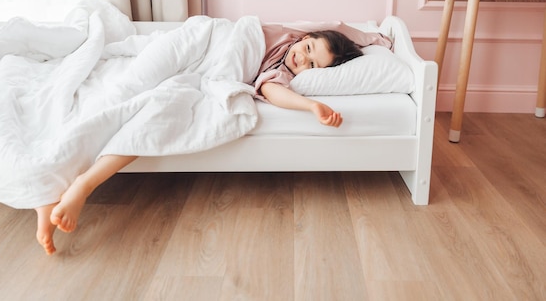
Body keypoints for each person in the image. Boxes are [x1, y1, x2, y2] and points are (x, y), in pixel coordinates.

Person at [34, 21, 391, 254]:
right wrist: (377, 37)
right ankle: (50, 182)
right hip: (205, 38)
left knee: (157, 111)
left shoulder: (279, 72)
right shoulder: (293, 32)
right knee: (124, 90)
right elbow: (345, 29)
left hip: (209, 71)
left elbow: (273, 91)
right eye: (309, 50)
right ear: (307, 37)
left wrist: (309, 105)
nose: (303, 60)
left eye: (313, 66)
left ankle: (73, 186)